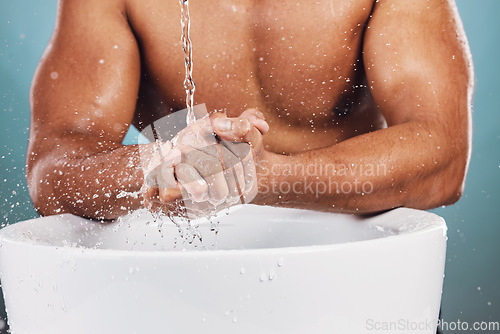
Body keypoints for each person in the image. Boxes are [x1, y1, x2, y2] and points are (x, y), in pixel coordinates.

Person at [27, 0, 473, 220]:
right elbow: (52, 170)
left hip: (349, 270)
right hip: (182, 276)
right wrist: (154, 165)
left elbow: (445, 159)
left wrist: (260, 176)